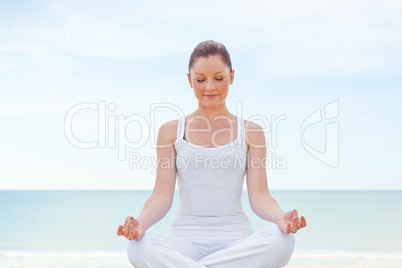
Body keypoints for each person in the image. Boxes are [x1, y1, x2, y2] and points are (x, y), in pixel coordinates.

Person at [117, 40, 307, 268]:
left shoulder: (251, 132)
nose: (210, 87)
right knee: (137, 247)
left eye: (219, 78)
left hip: (236, 239)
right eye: (200, 79)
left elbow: (260, 197)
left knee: (282, 241)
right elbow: (161, 195)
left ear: (232, 77)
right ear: (189, 80)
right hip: (184, 240)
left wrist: (280, 217)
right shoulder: (170, 132)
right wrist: (141, 222)